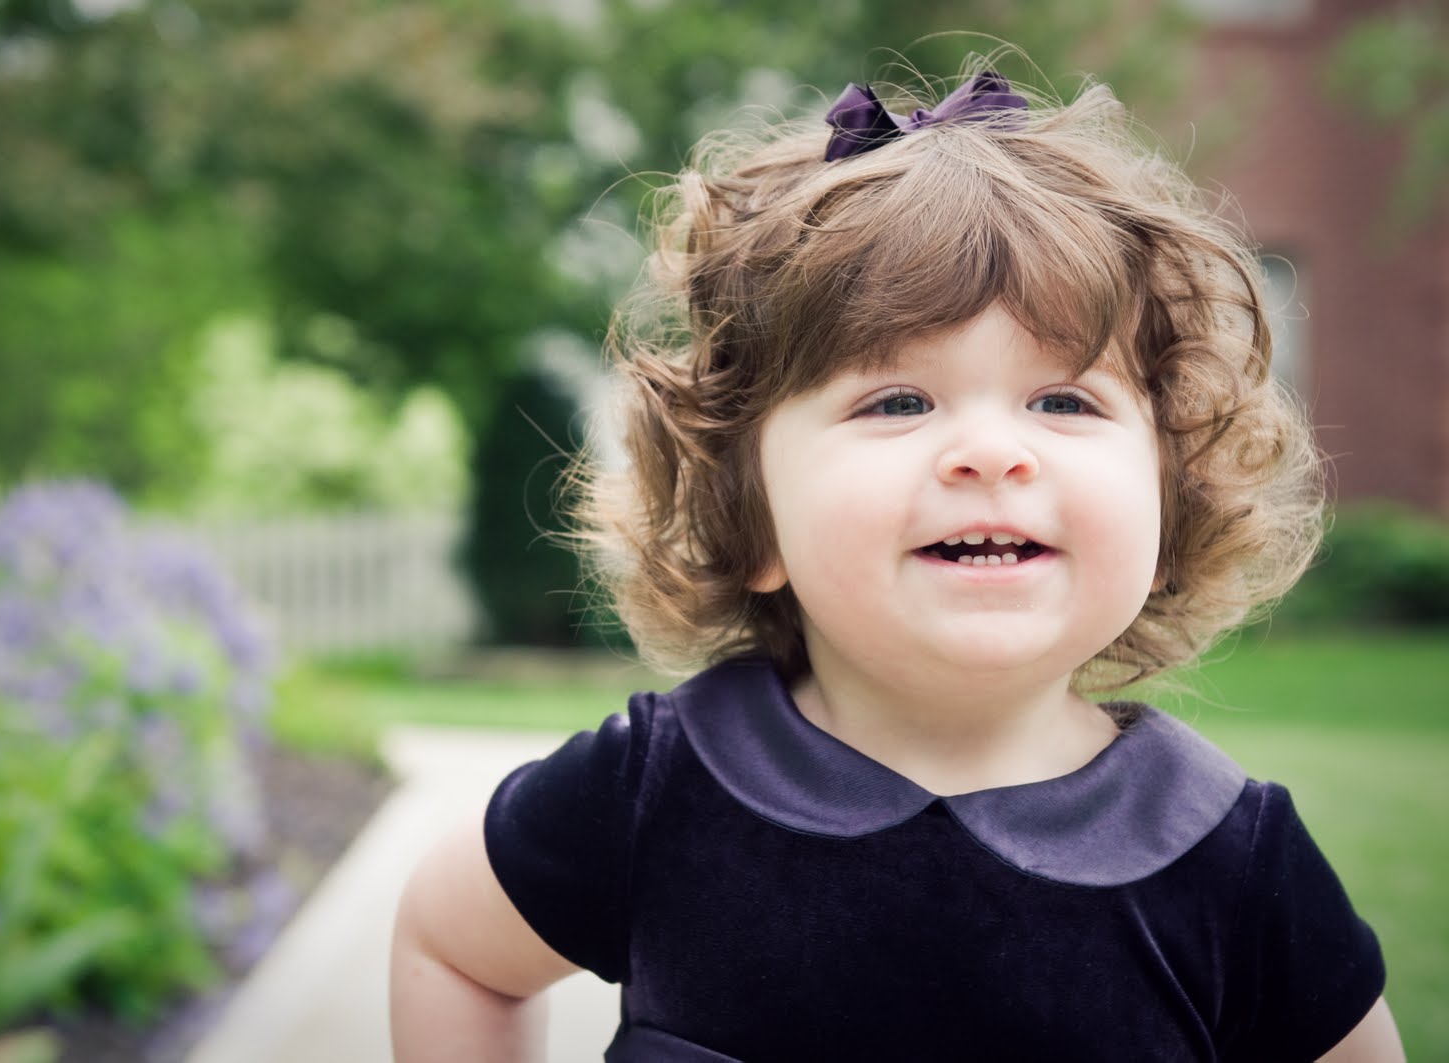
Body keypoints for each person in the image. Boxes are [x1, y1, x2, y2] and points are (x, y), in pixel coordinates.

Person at [390, 59, 1404, 1061]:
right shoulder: (655, 790)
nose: (991, 450)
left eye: (1064, 400)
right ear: (750, 518)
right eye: (897, 401)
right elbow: (453, 946)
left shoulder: (1227, 852)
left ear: (1170, 496)